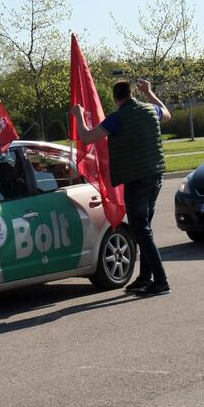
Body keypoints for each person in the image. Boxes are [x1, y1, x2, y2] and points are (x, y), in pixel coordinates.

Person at [71, 79, 171, 296]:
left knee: (140, 230)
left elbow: (87, 137)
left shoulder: (117, 118)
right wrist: (150, 92)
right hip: (155, 177)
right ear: (132, 93)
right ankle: (145, 278)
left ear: (116, 98)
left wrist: (78, 114)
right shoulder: (150, 109)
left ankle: (161, 281)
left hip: (137, 180)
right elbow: (167, 113)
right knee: (145, 229)